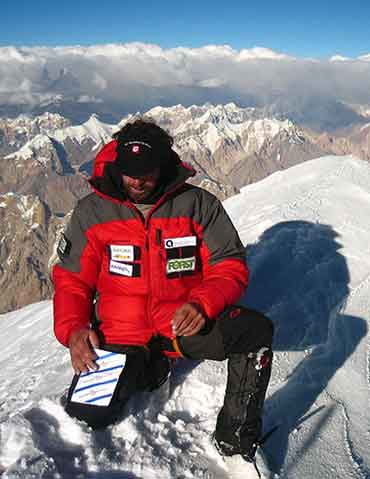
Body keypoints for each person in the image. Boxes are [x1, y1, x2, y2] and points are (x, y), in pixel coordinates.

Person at [52, 118, 274, 477]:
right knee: (86, 414)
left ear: (164, 164)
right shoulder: (92, 212)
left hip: (179, 324)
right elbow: (71, 281)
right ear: (116, 165)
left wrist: (203, 304)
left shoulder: (197, 205)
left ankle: (237, 442)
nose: (137, 181)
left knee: (255, 332)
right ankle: (149, 368)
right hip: (119, 334)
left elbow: (229, 264)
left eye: (146, 172)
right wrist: (74, 328)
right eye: (129, 172)